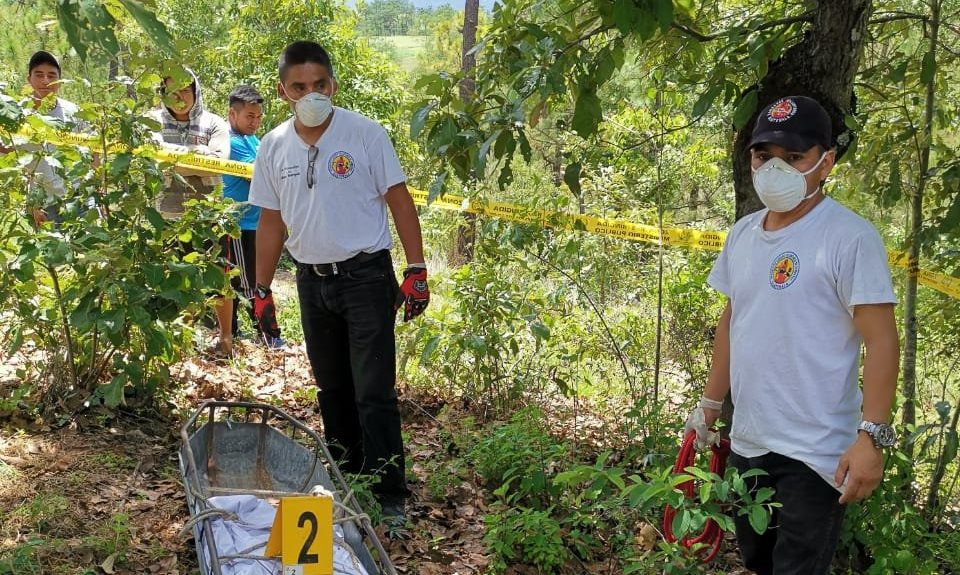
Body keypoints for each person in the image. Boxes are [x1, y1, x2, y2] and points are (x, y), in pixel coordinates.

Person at [685, 95, 900, 575]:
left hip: (816, 452)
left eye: (794, 157)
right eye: (765, 156)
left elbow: (882, 340)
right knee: (759, 561)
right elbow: (733, 321)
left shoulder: (849, 237)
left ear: (826, 162)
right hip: (750, 440)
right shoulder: (742, 235)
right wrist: (710, 406)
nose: (774, 169)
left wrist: (871, 439)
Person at [249, 41, 429, 527]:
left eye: (320, 84)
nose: (312, 94)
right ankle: (347, 479)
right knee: (331, 388)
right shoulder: (274, 145)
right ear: (283, 91)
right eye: (300, 87)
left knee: (373, 390)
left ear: (334, 84)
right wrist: (261, 290)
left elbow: (399, 199)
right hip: (311, 281)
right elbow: (270, 221)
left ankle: (389, 495)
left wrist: (416, 270)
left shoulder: (365, 134)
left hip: (366, 277)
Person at [148, 69, 233, 356]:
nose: (180, 97)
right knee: (170, 281)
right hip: (165, 217)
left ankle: (225, 339)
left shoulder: (214, 123)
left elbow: (219, 163)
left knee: (218, 279)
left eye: (185, 90)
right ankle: (179, 343)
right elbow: (152, 159)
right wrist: (198, 156)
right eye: (172, 91)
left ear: (195, 91)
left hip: (209, 217)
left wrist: (170, 157)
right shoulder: (151, 121)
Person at [221, 84, 284, 348]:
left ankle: (248, 334)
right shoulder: (232, 142)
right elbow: (264, 174)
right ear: (232, 114)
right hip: (239, 223)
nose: (255, 122)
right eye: (250, 116)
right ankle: (266, 335)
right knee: (247, 283)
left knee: (251, 280)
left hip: (256, 223)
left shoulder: (253, 140)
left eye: (258, 117)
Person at [18, 51, 83, 225]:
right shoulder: (17, 117)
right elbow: (9, 163)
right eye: (39, 75)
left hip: (80, 200)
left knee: (93, 251)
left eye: (52, 75)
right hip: (43, 206)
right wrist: (31, 204)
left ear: (60, 80)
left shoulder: (75, 113)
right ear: (29, 79)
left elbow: (94, 151)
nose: (45, 81)